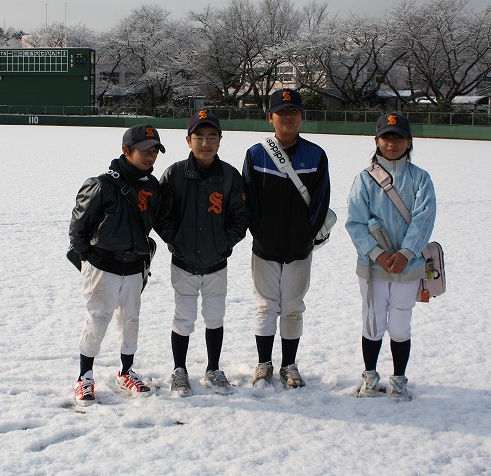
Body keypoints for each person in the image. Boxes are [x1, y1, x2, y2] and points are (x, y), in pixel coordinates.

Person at [68, 124, 166, 406]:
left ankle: (126, 371)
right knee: (98, 318)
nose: (150, 156)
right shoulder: (101, 184)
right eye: (144, 150)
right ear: (126, 150)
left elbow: (158, 222)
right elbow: (78, 228)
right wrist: (90, 259)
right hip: (103, 266)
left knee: (131, 319)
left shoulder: (152, 186)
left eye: (155, 151)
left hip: (134, 266)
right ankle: (84, 376)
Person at [241, 88, 331, 389]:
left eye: (293, 112)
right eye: (281, 112)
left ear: (302, 117)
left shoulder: (316, 155)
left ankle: (289, 365)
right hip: (265, 246)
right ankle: (264, 364)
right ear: (270, 117)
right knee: (265, 306)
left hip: (299, 248)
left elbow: (321, 201)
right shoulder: (256, 154)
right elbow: (249, 199)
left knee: (293, 306)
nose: (288, 117)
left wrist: (305, 237)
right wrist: (260, 232)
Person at [158, 110, 250, 397]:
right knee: (183, 317)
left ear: (220, 140)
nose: (206, 143)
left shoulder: (229, 176)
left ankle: (213, 368)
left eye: (212, 137)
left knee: (215, 316)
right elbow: (161, 215)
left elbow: (240, 218)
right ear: (188, 140)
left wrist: (223, 243)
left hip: (216, 262)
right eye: (199, 137)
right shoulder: (174, 174)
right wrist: (176, 240)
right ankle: (179, 370)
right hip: (183, 262)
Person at [345, 112, 436, 400]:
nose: (392, 143)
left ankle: (398, 380)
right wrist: (377, 254)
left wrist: (407, 253)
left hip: (408, 266)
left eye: (398, 137)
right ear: (377, 141)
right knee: (372, 323)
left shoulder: (420, 178)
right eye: (386, 137)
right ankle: (370, 377)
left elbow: (424, 218)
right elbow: (356, 222)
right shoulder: (364, 179)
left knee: (399, 325)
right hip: (373, 267)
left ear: (409, 142)